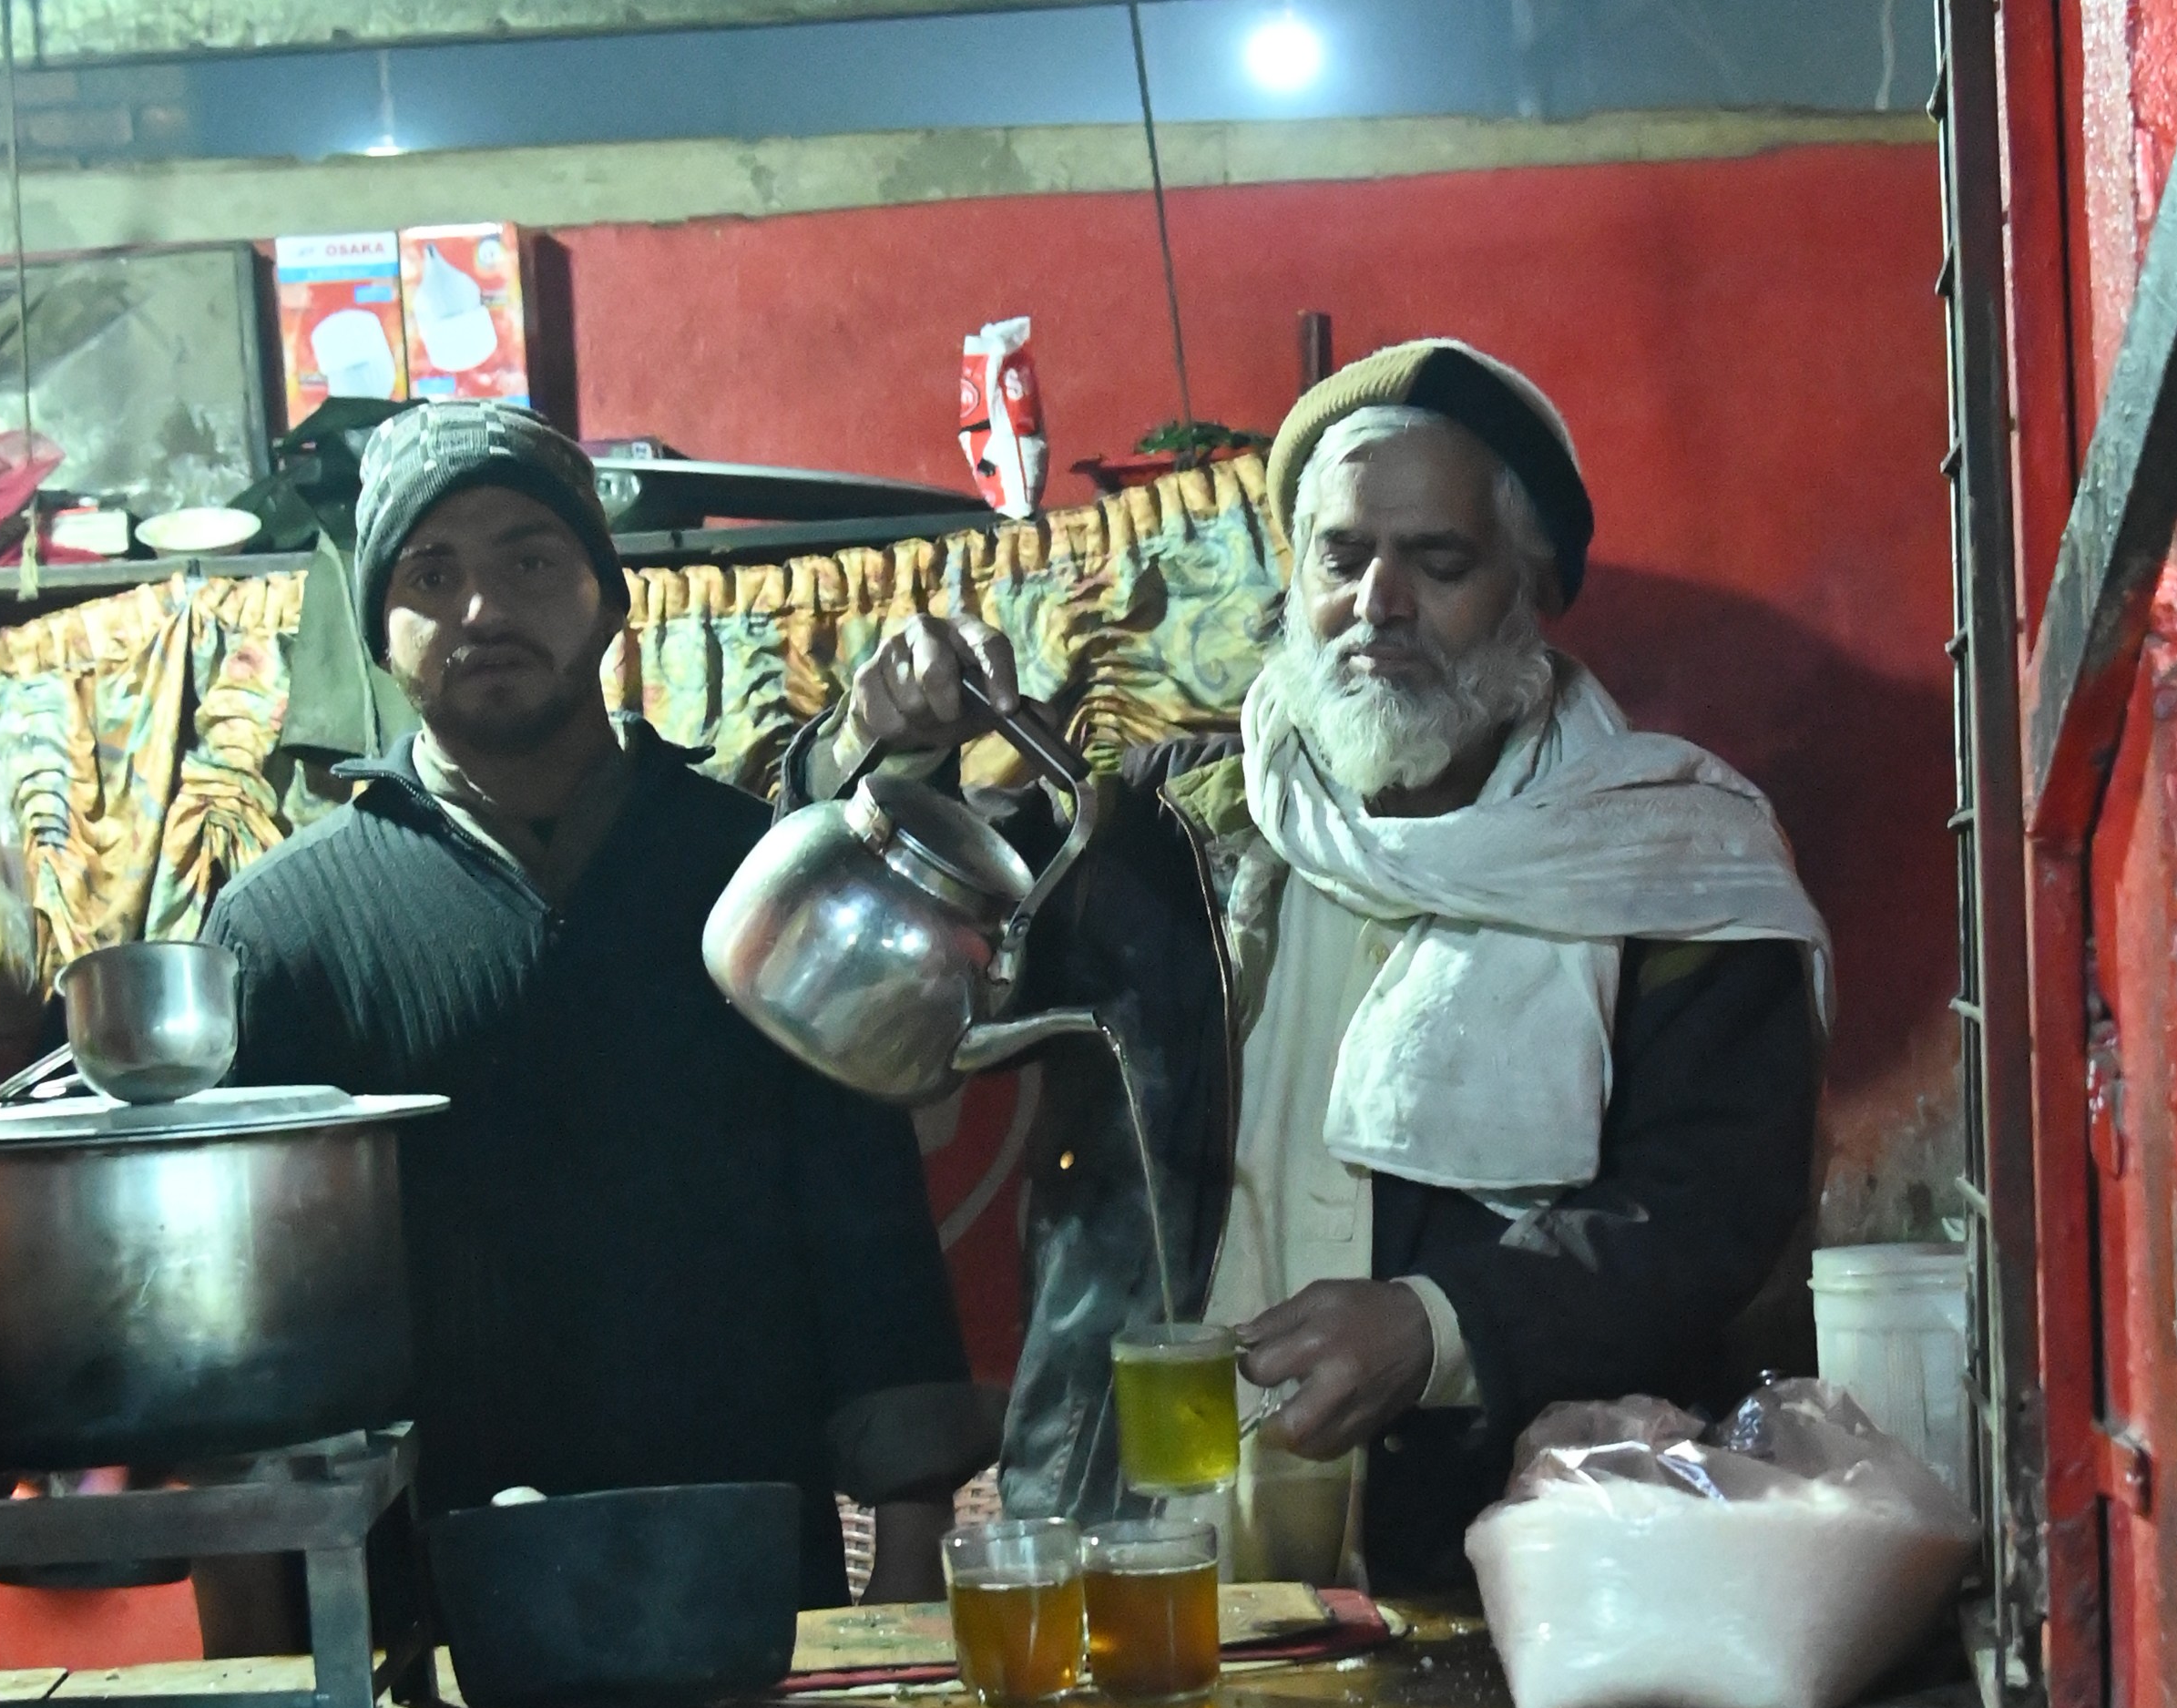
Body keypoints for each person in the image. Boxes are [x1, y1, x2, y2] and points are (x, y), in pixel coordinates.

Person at [806, 340, 1830, 1590]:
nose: (1378, 604)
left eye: (1437, 562)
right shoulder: (1154, 832)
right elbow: (898, 935)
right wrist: (890, 746)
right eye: (1341, 558)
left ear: (1533, 582)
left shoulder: (1676, 863)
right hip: (1138, 1546)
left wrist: (1443, 1327)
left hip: (1504, 1554)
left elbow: (1708, 1208)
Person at [204, 401, 993, 1609]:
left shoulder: (756, 877)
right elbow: (252, 1346)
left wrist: (905, 1553)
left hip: (742, 1581)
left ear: (611, 597)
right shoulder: (286, 936)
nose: (482, 607)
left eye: (529, 558)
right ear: (377, 630)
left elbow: (862, 1225)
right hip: (430, 1621)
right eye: (432, 573)